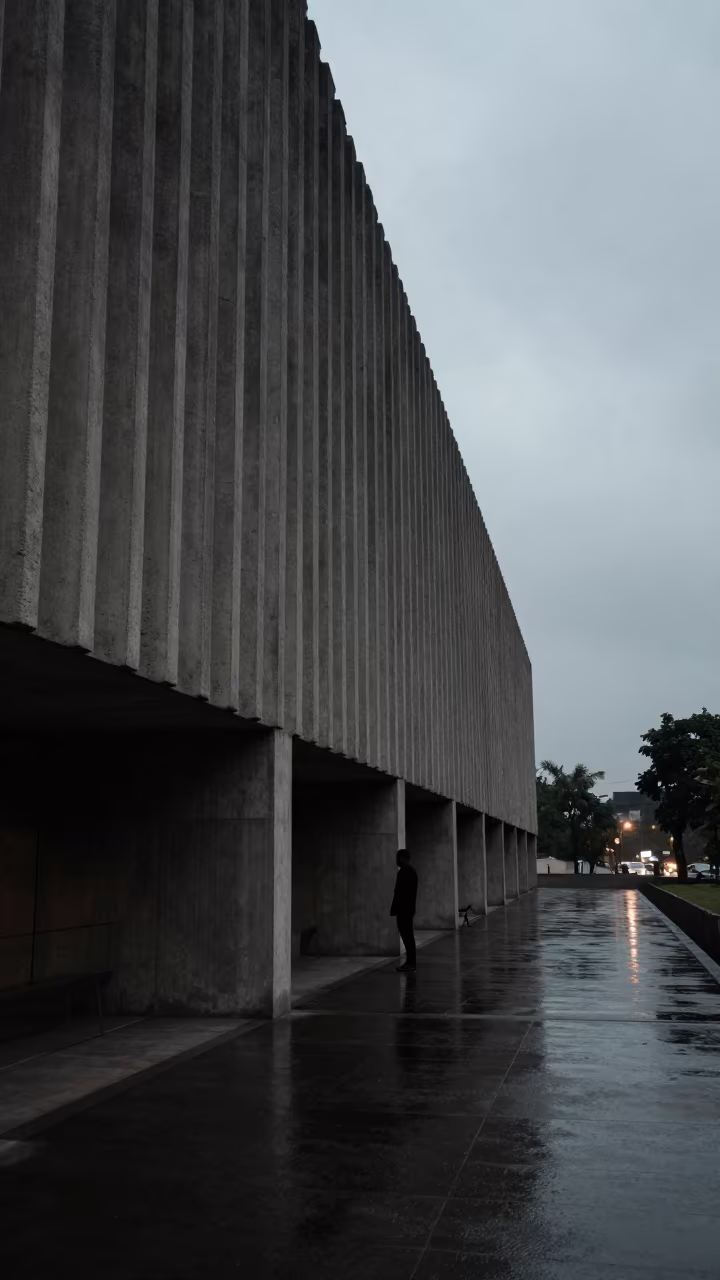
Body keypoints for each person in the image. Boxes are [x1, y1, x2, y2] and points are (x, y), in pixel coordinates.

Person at [390, 848, 418, 973]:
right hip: (409, 909)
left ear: (402, 858)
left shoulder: (404, 872)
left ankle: (411, 963)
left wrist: (394, 908)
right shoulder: (412, 871)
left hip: (403, 910)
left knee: (407, 936)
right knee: (408, 936)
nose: (396, 860)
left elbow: (399, 892)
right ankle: (411, 962)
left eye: (397, 857)